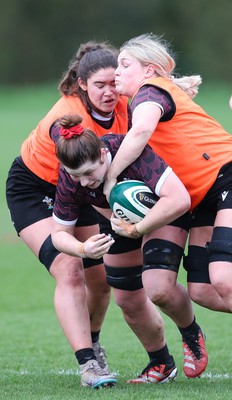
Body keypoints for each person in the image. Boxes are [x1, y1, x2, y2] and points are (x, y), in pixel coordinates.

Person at [6, 41, 130, 389]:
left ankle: (93, 341)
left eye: (114, 83)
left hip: (81, 188)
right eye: (100, 85)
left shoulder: (125, 102)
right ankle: (88, 363)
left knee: (100, 279)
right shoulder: (67, 119)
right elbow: (80, 170)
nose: (109, 92)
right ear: (82, 84)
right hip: (36, 188)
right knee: (69, 266)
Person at [51, 112, 208, 383]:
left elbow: (178, 200)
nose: (85, 183)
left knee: (158, 289)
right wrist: (83, 249)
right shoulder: (71, 175)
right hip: (118, 221)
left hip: (162, 211)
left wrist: (138, 228)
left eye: (89, 173)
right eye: (77, 177)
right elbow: (59, 234)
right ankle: (161, 364)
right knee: (127, 300)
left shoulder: (131, 153)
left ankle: (191, 333)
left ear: (103, 155)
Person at [103, 33, 232, 314]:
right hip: (205, 197)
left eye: (124, 64)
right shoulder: (140, 99)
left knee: (224, 279)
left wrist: (111, 177)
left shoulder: (151, 90)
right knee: (204, 290)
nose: (117, 71)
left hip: (227, 178)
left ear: (148, 69)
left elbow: (141, 132)